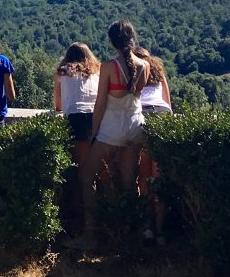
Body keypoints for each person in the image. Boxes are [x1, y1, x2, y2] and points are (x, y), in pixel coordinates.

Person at [66, 20, 150, 250]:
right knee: (128, 179)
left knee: (86, 176)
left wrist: (94, 133)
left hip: (113, 128)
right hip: (136, 125)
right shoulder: (145, 65)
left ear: (112, 41)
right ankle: (132, 233)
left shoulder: (109, 67)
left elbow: (101, 103)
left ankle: (91, 233)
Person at [135, 46, 172, 245]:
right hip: (162, 115)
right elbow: (167, 101)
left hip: (143, 115)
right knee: (158, 177)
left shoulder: (133, 73)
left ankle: (146, 226)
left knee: (143, 177)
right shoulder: (159, 73)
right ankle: (161, 230)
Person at [53, 42, 100, 166]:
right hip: (96, 116)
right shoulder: (97, 73)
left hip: (76, 115)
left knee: (79, 162)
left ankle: (83, 185)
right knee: (97, 163)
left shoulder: (62, 72)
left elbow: (58, 104)